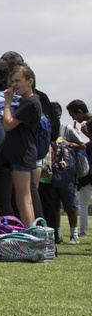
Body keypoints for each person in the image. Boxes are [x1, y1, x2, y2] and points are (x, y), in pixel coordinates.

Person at [0, 63, 41, 226]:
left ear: (30, 81)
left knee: (23, 199)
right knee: (24, 198)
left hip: (22, 153)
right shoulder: (27, 102)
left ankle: (29, 237)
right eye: (12, 81)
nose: (14, 85)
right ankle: (29, 235)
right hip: (21, 153)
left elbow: (8, 125)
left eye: (18, 81)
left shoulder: (30, 102)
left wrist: (7, 102)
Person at [66, 100, 92, 237]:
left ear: (80, 112)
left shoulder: (89, 124)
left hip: (89, 172)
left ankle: (82, 231)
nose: (73, 118)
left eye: (73, 115)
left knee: (82, 204)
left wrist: (86, 134)